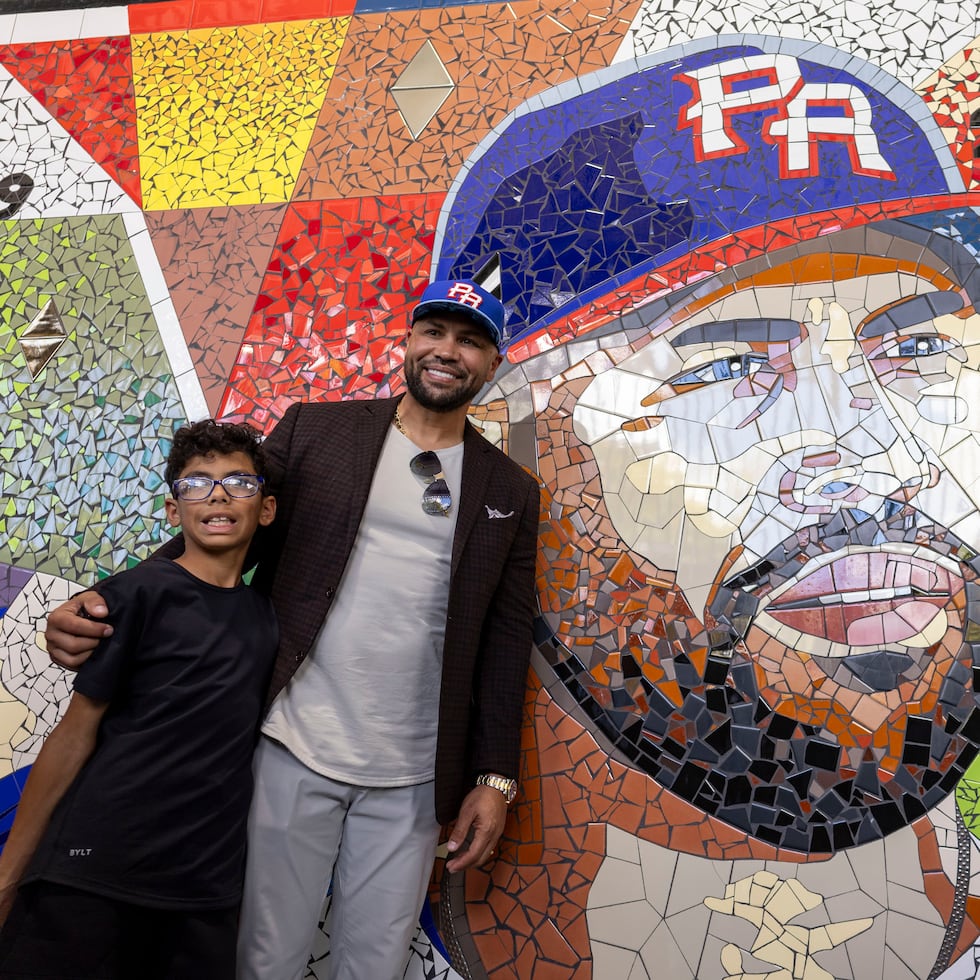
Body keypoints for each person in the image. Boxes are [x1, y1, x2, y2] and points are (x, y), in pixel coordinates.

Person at [44, 279, 541, 980]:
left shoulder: (511, 492)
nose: (446, 351)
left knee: (373, 966)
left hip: (415, 777)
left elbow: (504, 638)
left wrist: (494, 777)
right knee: (263, 958)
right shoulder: (318, 430)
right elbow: (222, 523)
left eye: (469, 340)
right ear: (407, 342)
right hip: (291, 743)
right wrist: (107, 604)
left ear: (494, 362)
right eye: (434, 332)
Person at [0, 419, 278, 980]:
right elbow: (74, 735)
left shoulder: (269, 619)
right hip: (90, 872)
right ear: (174, 512)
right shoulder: (136, 593)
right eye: (197, 483)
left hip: (201, 893)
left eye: (238, 483)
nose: (219, 493)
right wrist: (7, 877)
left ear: (265, 510)